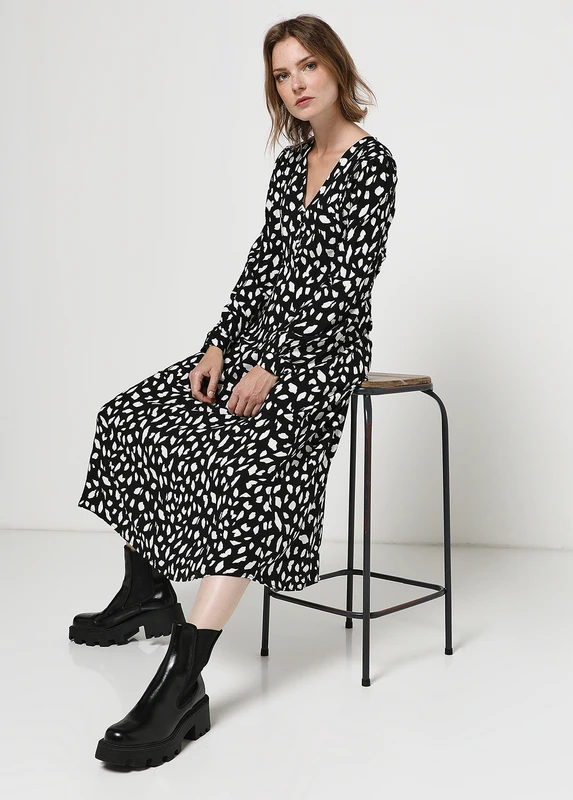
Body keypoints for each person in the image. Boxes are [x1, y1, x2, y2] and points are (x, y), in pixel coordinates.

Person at [73, 14, 398, 768]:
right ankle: (146, 592)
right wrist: (221, 342)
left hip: (321, 354)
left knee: (249, 467)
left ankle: (184, 680)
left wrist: (275, 367)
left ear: (336, 67)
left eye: (308, 66)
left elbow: (346, 286)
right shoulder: (290, 165)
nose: (297, 84)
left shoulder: (372, 164)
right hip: (257, 347)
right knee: (132, 417)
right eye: (283, 74)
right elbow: (262, 266)